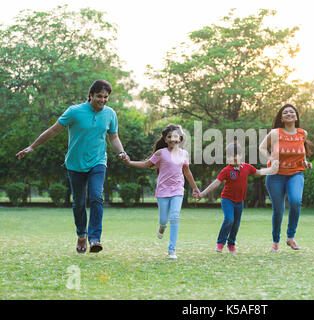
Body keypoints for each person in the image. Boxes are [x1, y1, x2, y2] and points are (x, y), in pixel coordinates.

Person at [16, 79, 128, 254]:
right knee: (79, 202)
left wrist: (121, 152)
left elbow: (113, 137)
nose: (103, 100)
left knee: (97, 197)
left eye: (106, 97)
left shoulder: (110, 114)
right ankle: (81, 234)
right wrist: (32, 146)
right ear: (91, 95)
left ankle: (94, 239)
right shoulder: (75, 112)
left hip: (98, 161)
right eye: (99, 96)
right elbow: (53, 130)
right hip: (75, 164)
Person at [122, 124, 199, 260]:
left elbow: (187, 171)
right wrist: (129, 163)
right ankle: (162, 226)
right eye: (169, 137)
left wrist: (194, 187)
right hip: (163, 191)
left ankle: (171, 250)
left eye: (175, 137)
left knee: (174, 217)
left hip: (178, 190)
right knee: (164, 219)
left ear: (180, 139)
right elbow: (146, 164)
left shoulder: (184, 154)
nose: (172, 139)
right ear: (165, 139)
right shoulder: (160, 153)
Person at [196, 142, 279, 254]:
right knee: (229, 219)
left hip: (239, 201)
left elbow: (259, 172)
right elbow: (216, 183)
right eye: (229, 156)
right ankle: (220, 243)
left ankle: (231, 244)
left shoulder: (247, 167)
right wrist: (203, 193)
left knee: (236, 224)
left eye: (234, 155)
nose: (232, 158)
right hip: (227, 200)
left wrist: (271, 170)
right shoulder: (226, 170)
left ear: (241, 155)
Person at [259, 104, 313, 252]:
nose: (289, 114)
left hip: (295, 173)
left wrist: (305, 163)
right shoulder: (275, 133)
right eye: (285, 113)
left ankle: (290, 238)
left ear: (296, 116)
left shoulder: (303, 133)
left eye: (292, 111)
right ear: (281, 118)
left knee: (296, 201)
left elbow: (300, 152)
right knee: (278, 209)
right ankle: (275, 242)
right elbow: (262, 148)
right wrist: (271, 159)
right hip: (275, 175)